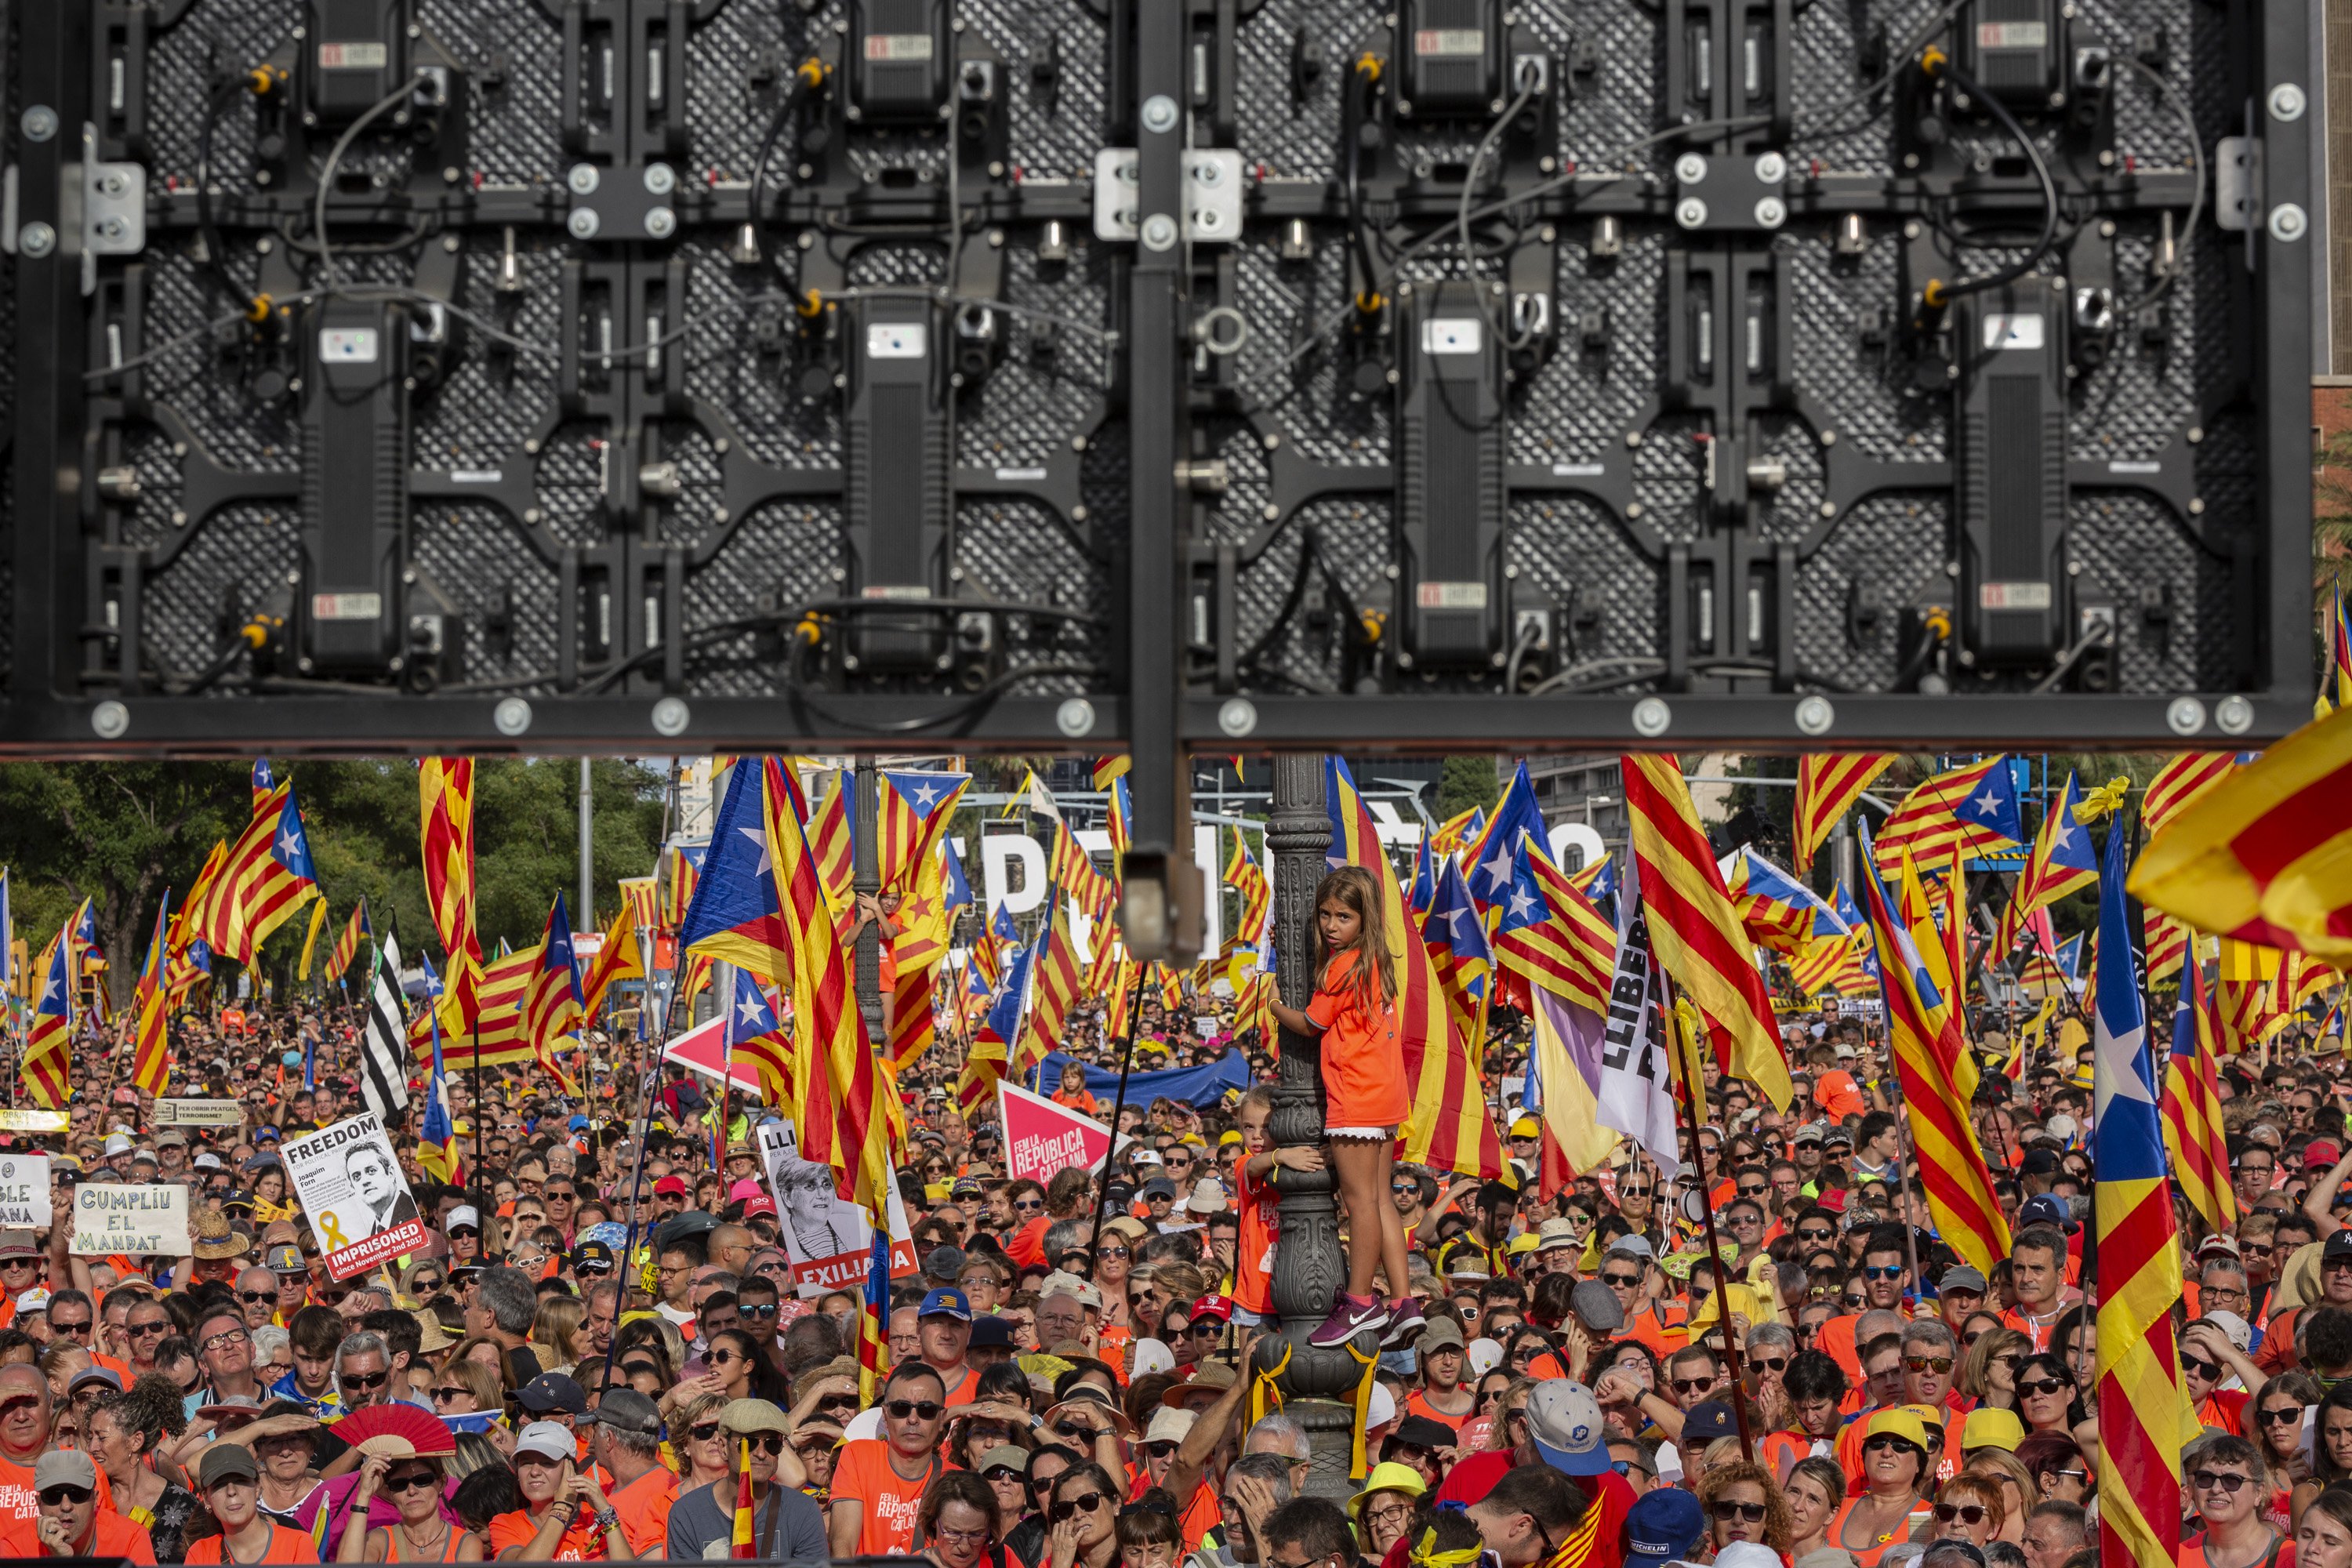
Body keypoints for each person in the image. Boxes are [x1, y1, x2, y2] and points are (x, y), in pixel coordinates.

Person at [1263, 868, 1417, 1348]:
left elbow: (1309, 1023)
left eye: (1343, 917)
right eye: (1325, 915)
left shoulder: (1340, 966)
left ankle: (1357, 1303)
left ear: (1363, 919)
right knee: (1381, 1199)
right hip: (1386, 1095)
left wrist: (1272, 1003)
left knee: (1360, 1203)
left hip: (1355, 1097)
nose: (1332, 926)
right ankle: (1402, 1301)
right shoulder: (1375, 961)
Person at [663, 1399, 828, 1560]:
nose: (761, 1454)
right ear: (723, 1448)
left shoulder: (802, 1511)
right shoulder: (688, 1513)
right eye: (748, 1443)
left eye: (772, 1444)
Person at [829, 1363, 952, 1555]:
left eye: (926, 1409)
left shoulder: (954, 1479)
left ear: (942, 1419)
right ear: (885, 1415)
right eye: (901, 1408)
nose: (913, 1419)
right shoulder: (858, 1455)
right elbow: (843, 1543)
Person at [488, 1421, 634, 1560]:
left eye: (547, 1463)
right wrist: (562, 1510)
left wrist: (606, 1513)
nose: (534, 1472)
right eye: (526, 1463)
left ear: (569, 1469)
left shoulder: (593, 1517)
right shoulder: (505, 1524)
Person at [0, 1450, 155, 1562]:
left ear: (95, 1499)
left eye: (77, 1494)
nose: (66, 1506)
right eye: (53, 1496)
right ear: (39, 1503)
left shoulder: (130, 1538)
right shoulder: (15, 1549)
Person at [187, 1443, 323, 1565]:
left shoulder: (297, 1544)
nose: (231, 1491)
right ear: (206, 1499)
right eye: (219, 1485)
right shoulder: (200, 1554)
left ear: (257, 1487)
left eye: (241, 1481)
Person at [1832, 1410, 1936, 1568]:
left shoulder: (1929, 1518)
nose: (1887, 1452)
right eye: (1877, 1443)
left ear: (1919, 1464)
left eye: (1901, 1445)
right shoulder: (1837, 1507)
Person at [2182, 1435, 2289, 1568]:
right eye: (2205, 1478)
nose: (2216, 1489)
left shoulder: (2292, 1559)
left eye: (2232, 1480)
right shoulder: (2177, 1557)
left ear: (2259, 1492)